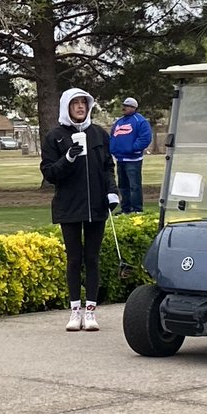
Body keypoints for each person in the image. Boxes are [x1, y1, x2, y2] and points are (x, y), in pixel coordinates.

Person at [40, 88, 121, 332]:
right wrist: (68, 158)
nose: (80, 107)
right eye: (75, 103)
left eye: (83, 103)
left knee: (92, 259)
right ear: (67, 107)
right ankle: (75, 311)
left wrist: (112, 191)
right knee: (74, 259)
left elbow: (108, 166)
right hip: (69, 206)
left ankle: (91, 311)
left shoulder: (99, 134)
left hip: (96, 206)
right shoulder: (55, 137)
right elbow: (49, 173)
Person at [108, 97, 152, 213]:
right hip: (120, 159)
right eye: (124, 105)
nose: (124, 108)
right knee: (123, 186)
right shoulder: (119, 122)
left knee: (134, 186)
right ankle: (125, 209)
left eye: (127, 106)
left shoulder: (140, 121)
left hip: (133, 160)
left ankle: (137, 209)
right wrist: (113, 149)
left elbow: (145, 138)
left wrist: (133, 148)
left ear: (134, 108)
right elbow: (113, 136)